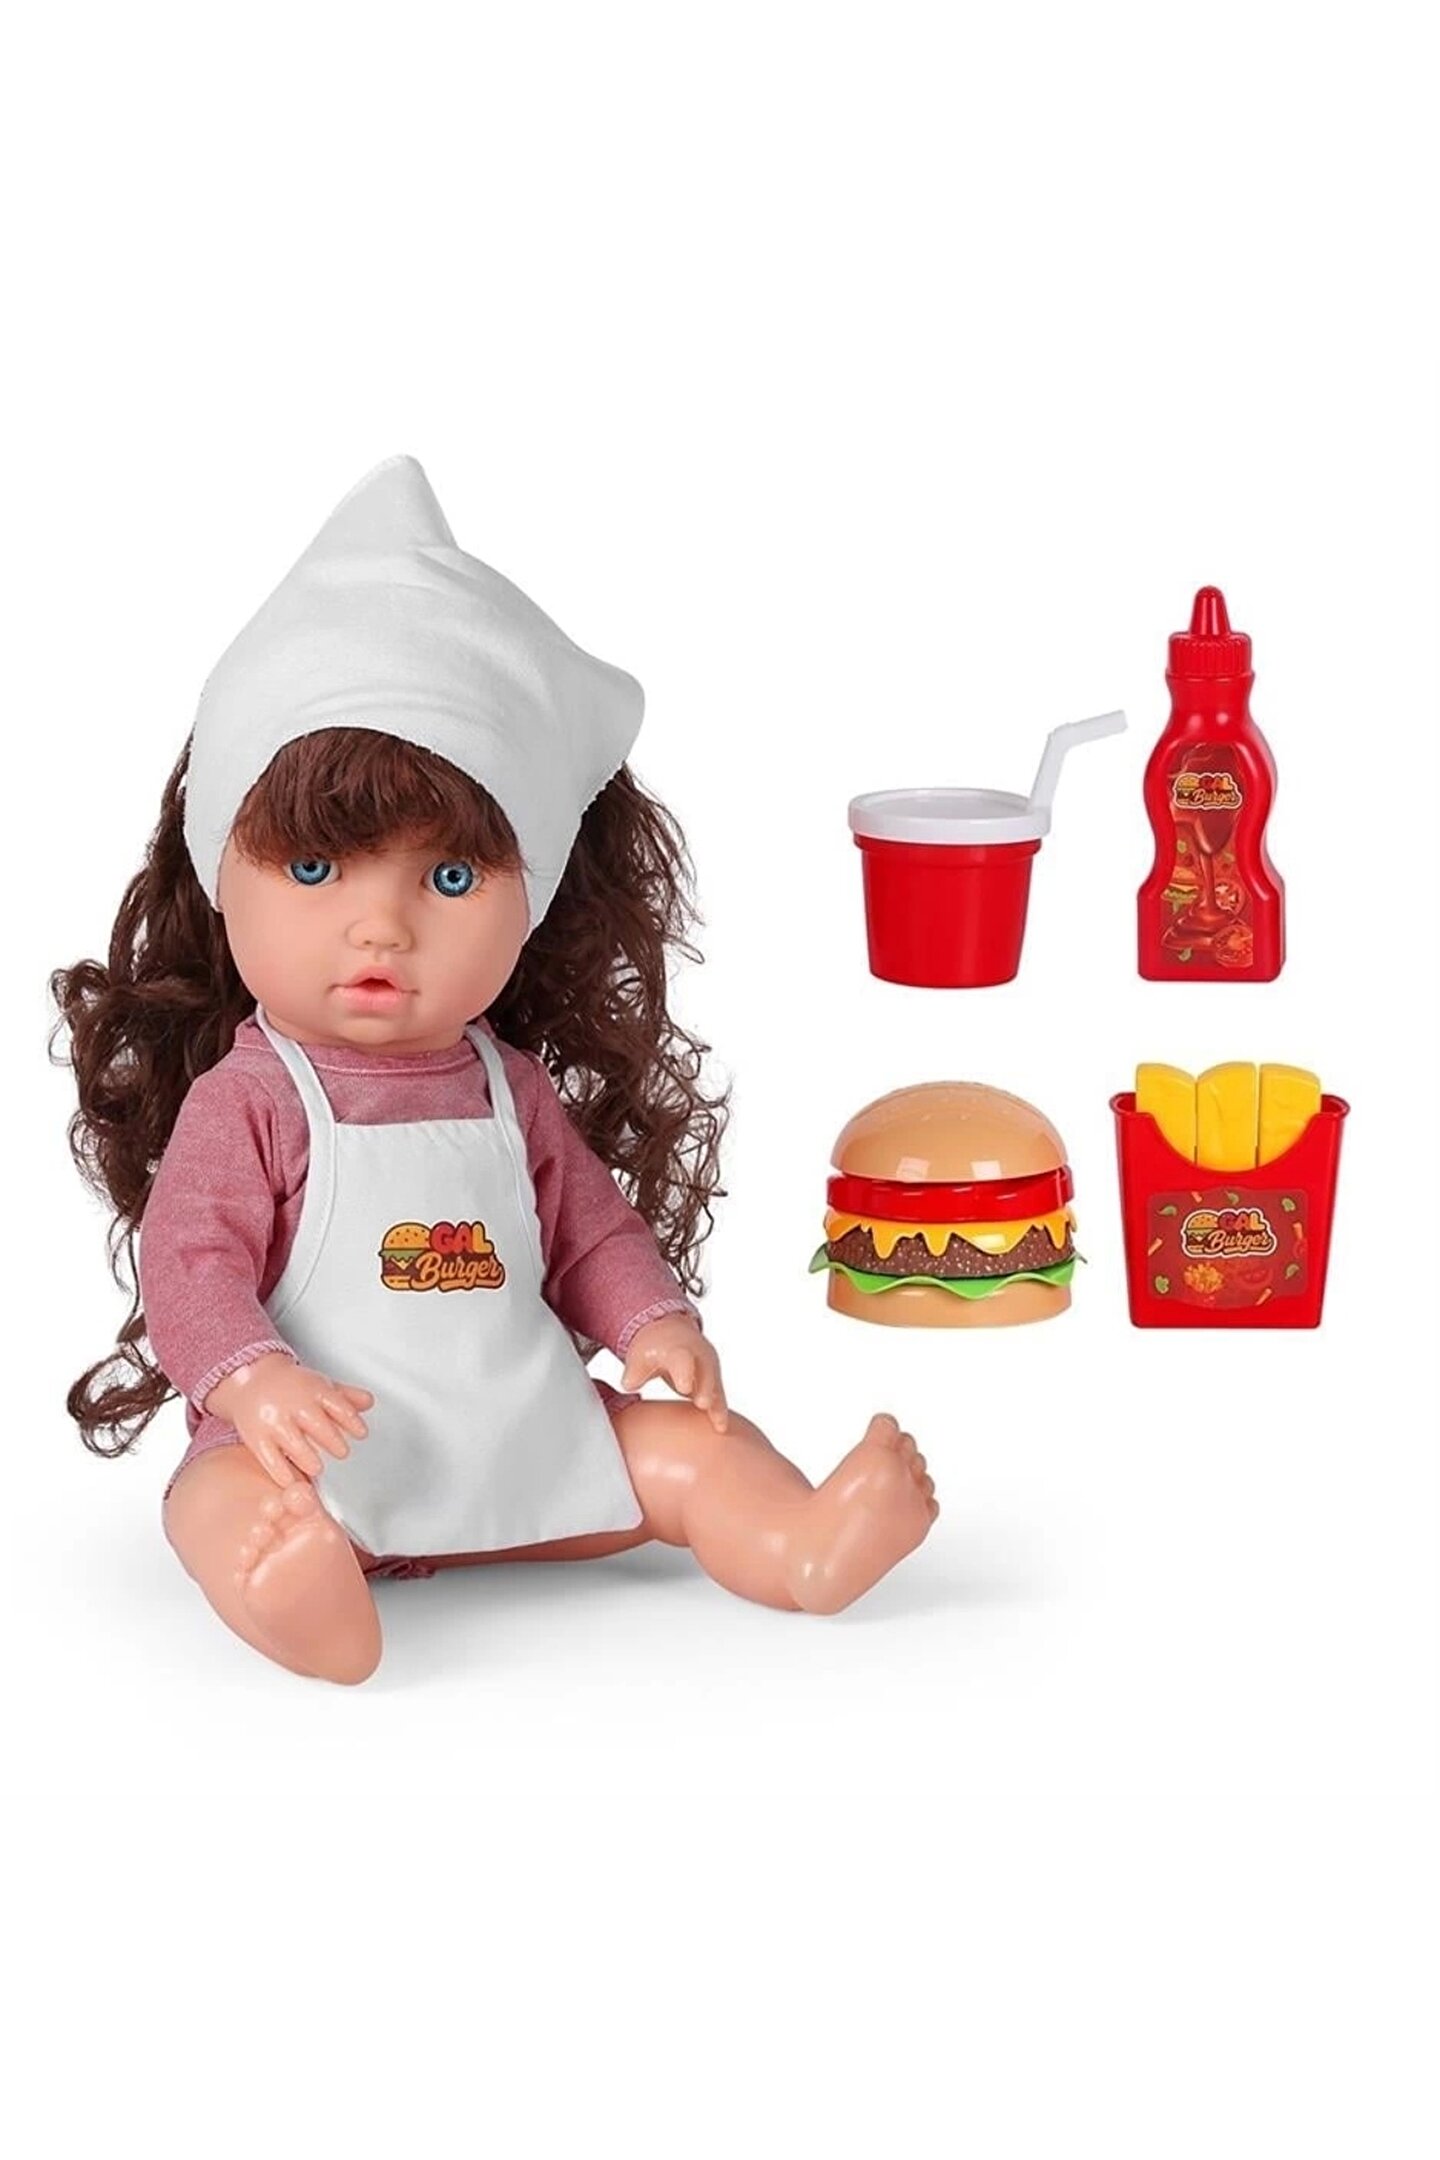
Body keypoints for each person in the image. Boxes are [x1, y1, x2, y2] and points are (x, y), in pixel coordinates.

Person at [53, 455, 936, 1684]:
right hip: (318, 1457)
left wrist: (654, 1322)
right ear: (221, 881)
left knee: (685, 1448)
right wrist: (251, 1384)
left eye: (451, 878)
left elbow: (587, 1232)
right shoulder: (251, 1100)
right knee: (217, 1501)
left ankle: (797, 1543)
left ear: (530, 905)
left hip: (524, 1441)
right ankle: (297, 1591)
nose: (381, 926)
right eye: (314, 870)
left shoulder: (505, 1088)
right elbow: (190, 1264)